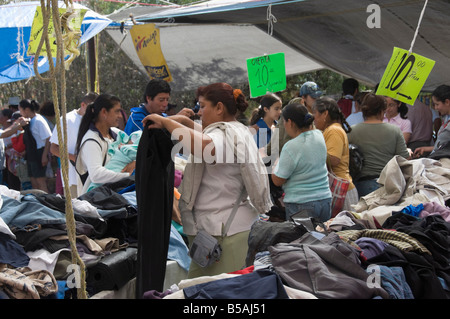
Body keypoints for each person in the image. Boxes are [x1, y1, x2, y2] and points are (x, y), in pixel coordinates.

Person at [142, 82, 272, 278]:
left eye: (203, 106)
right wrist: (176, 121)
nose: (199, 112)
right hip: (221, 234)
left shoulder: (223, 133)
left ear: (219, 108)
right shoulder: (237, 129)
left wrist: (167, 123)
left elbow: (205, 146)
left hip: (226, 238)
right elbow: (197, 131)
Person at [271, 103, 331, 222]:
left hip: (301, 204)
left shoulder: (291, 147)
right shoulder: (319, 135)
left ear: (290, 122)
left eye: (283, 122)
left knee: (302, 240)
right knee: (323, 239)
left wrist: (275, 163)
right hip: (325, 200)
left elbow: (278, 180)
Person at [347, 93, 410, 197]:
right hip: (388, 184)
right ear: (382, 111)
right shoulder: (395, 131)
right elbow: (404, 158)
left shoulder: (352, 131)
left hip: (361, 185)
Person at [75, 94, 133, 195]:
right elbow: (96, 174)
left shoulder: (117, 134)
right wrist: (128, 175)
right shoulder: (91, 140)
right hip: (96, 200)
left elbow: (133, 148)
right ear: (104, 112)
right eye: (117, 111)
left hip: (115, 194)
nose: (120, 116)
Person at [312, 97, 358, 211]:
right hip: (339, 189)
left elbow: (334, 159)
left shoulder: (333, 130)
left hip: (341, 190)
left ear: (325, 114)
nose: (313, 118)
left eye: (315, 113)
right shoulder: (331, 129)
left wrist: (312, 151)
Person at [50, 92, 98, 198]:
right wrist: (74, 158)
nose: (93, 112)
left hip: (94, 175)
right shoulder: (67, 120)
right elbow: (53, 149)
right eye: (91, 108)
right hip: (73, 177)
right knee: (77, 210)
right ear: (83, 105)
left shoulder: (96, 120)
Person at [124, 79, 194, 135]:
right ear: (149, 98)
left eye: (167, 99)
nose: (165, 104)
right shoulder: (136, 118)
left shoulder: (164, 116)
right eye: (161, 100)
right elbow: (150, 138)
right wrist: (177, 119)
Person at [18, 99, 52, 192]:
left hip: (39, 153)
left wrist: (44, 156)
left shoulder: (39, 120)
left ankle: (47, 202)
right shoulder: (31, 121)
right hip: (31, 154)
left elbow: (48, 138)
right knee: (34, 182)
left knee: (41, 182)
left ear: (27, 110)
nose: (20, 113)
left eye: (20, 110)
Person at [414, 85, 450, 158]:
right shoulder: (445, 118)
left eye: (437, 104)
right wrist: (425, 149)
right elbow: (441, 145)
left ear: (447, 102)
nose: (436, 108)